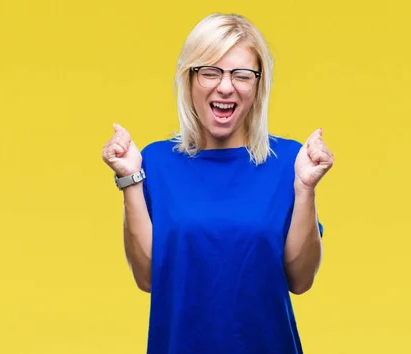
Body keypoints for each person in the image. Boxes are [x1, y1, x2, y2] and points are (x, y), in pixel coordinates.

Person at [101, 13, 334, 354]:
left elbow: (301, 280)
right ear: (190, 79)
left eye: (241, 75)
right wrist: (128, 178)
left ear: (257, 85)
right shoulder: (155, 162)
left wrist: (305, 189)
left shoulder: (289, 162)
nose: (225, 86)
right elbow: (148, 278)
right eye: (210, 71)